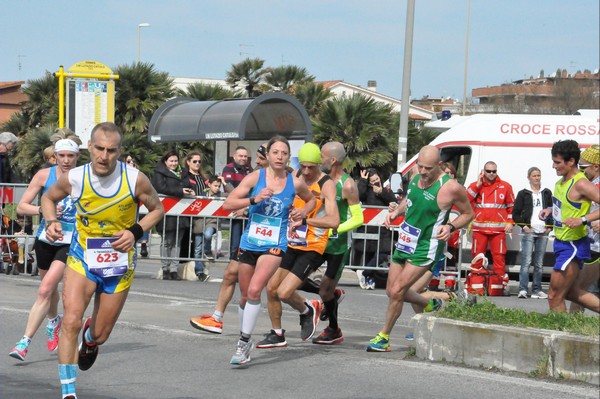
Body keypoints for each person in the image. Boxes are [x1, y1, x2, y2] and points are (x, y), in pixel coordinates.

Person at [41, 122, 164, 399]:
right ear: (90, 147)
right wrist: (51, 221)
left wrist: (135, 231)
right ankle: (68, 391)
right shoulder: (75, 177)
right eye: (99, 148)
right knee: (70, 320)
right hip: (82, 258)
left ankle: (91, 338)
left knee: (100, 334)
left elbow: (157, 209)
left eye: (111, 150)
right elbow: (48, 198)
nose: (104, 156)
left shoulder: (135, 179)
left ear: (119, 151)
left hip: (119, 264)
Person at [367, 145, 473, 352]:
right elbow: (411, 199)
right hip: (406, 241)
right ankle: (432, 303)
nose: (423, 172)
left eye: (428, 168)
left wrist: (450, 226)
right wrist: (396, 211)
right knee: (391, 291)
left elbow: (468, 214)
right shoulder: (416, 177)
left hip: (426, 247)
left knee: (398, 290)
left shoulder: (450, 187)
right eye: (420, 166)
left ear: (440, 165)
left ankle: (383, 338)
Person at [222, 136, 315, 365]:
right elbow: (228, 204)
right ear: (269, 154)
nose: (280, 157)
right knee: (245, 296)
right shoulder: (256, 177)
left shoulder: (295, 182)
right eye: (276, 152)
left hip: (275, 243)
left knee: (255, 290)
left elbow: (311, 200)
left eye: (284, 153)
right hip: (250, 241)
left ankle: (243, 343)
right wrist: (254, 199)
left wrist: (302, 214)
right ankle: (245, 340)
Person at [256, 142, 339, 348]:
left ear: (319, 164)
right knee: (271, 288)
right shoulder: (297, 178)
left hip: (313, 246)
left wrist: (305, 221)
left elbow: (334, 221)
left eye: (312, 167)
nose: (308, 171)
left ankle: (309, 308)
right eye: (304, 166)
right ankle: (277, 333)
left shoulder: (326, 184)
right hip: (292, 242)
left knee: (284, 292)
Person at [8, 137, 81, 362]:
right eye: (63, 156)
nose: (67, 160)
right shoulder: (43, 175)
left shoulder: (84, 177)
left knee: (45, 289)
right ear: (55, 157)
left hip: (70, 240)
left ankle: (24, 342)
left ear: (77, 157)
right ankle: (53, 321)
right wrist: (46, 209)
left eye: (71, 156)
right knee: (47, 290)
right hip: (45, 238)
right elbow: (21, 206)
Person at [189, 145, 264, 333]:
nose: (254, 161)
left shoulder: (285, 179)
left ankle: (305, 307)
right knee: (232, 275)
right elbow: (232, 199)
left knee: (278, 289)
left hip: (271, 240)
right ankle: (218, 318)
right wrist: (248, 205)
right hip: (250, 235)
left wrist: (247, 207)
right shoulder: (254, 175)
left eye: (259, 157)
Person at [539, 140, 599, 313]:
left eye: (557, 162)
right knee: (572, 293)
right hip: (561, 242)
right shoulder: (561, 181)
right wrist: (551, 209)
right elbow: (568, 205)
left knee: (553, 295)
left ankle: (560, 335)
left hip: (572, 245)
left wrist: (583, 219)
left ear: (571, 161)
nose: (553, 166)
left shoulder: (581, 183)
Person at [312, 141, 363, 342]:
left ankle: (334, 330)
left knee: (324, 290)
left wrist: (334, 227)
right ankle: (333, 294)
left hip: (337, 246)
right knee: (292, 278)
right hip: (315, 241)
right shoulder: (318, 179)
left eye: (321, 156)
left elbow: (358, 218)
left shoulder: (348, 185)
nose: (318, 159)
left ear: (332, 160)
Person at [466, 160, 515, 295]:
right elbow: (465, 199)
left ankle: (499, 287)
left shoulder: (505, 186)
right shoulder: (476, 186)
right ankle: (476, 286)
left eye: (494, 171)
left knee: (499, 258)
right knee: (477, 258)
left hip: (498, 230)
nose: (492, 174)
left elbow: (512, 206)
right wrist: (477, 186)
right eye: (489, 171)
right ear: (483, 171)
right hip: (479, 229)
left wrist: (510, 222)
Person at [152, 150, 194, 280]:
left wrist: (188, 190)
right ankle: (165, 268)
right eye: (171, 161)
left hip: (180, 211)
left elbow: (187, 184)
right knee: (166, 241)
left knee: (177, 242)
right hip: (166, 211)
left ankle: (174, 269)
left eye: (176, 161)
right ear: (165, 162)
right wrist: (179, 190)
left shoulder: (184, 172)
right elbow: (160, 188)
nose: (174, 163)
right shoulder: (159, 173)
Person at [513, 167, 553, 299]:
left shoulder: (546, 193)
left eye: (538, 175)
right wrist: (524, 226)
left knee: (539, 262)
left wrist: (549, 226)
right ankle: (523, 289)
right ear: (529, 177)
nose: (537, 178)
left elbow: (552, 210)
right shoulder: (523, 193)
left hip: (543, 231)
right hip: (529, 231)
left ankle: (537, 289)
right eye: (534, 175)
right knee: (526, 261)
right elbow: (516, 213)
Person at [355, 168, 398, 290]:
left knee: (384, 253)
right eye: (372, 181)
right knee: (369, 254)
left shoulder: (385, 190)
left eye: (377, 179)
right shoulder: (366, 191)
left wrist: (381, 192)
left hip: (383, 228)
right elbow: (359, 196)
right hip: (369, 229)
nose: (375, 182)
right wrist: (362, 181)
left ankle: (364, 272)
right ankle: (368, 278)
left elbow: (393, 201)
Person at [570, 145, 600, 313]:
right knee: (577, 289)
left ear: (595, 166)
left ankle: (572, 326)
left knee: (577, 289)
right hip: (590, 244)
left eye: (582, 167)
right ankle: (573, 325)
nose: (580, 171)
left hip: (596, 247)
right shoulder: (587, 184)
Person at [192, 174, 227, 281]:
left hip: (212, 222)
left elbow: (233, 193)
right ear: (209, 184)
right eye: (215, 185)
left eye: (219, 186)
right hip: (199, 223)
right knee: (197, 249)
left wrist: (225, 183)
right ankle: (199, 272)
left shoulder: (221, 195)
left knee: (208, 235)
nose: (217, 188)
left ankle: (207, 250)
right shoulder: (201, 194)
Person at [121, 154, 150, 258]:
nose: (131, 163)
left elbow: (157, 209)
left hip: (139, 209)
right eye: (128, 161)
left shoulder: (140, 176)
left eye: (133, 161)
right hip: (122, 216)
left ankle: (143, 243)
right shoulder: (118, 176)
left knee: (143, 220)